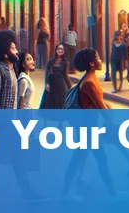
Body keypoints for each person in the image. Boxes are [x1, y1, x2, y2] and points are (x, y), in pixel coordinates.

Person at [61, 48, 116, 202]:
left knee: (81, 156)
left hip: (88, 125)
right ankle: (113, 194)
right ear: (92, 63)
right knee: (98, 158)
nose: (100, 60)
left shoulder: (90, 79)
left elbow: (96, 102)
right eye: (98, 57)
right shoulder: (90, 82)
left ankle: (68, 190)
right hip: (88, 127)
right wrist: (111, 123)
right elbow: (100, 107)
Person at [39, 43, 72, 109]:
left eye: (62, 49)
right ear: (56, 50)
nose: (60, 50)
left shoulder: (65, 62)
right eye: (58, 49)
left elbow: (65, 76)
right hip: (51, 83)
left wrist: (70, 88)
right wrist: (47, 84)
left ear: (64, 51)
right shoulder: (50, 61)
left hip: (60, 85)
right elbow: (47, 74)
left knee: (60, 103)